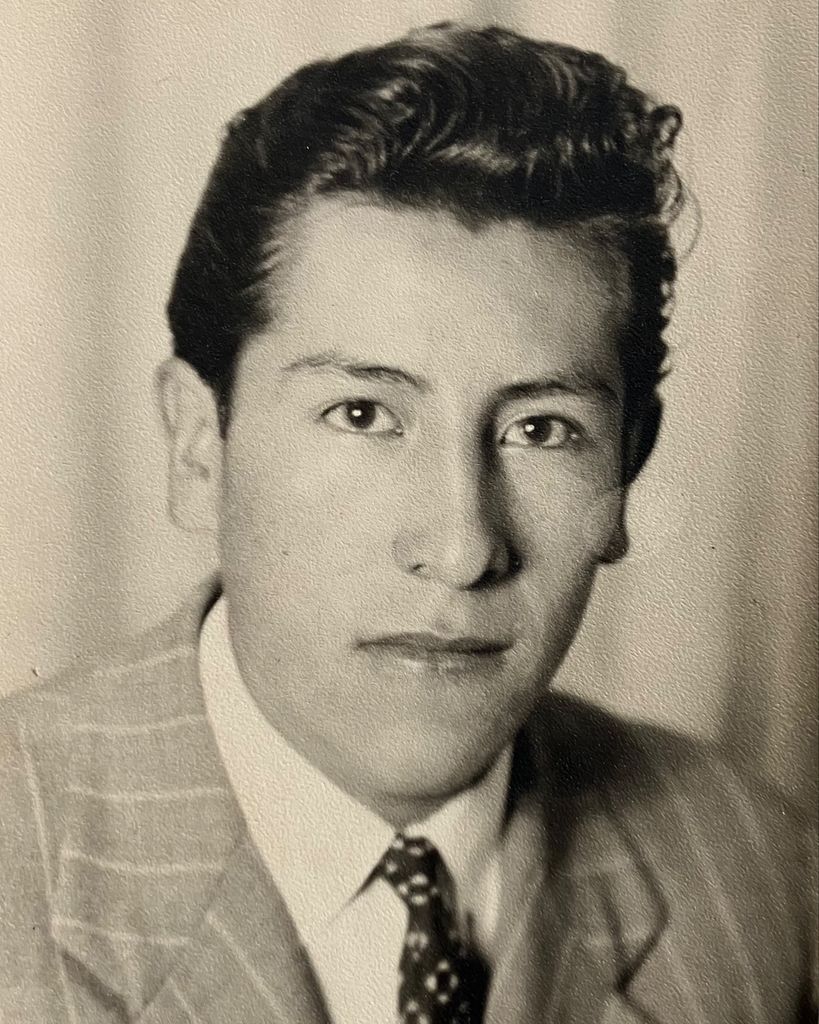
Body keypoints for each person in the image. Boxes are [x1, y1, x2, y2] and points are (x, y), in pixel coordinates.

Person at [0, 22, 814, 1024]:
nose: (463, 547)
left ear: (626, 467)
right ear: (199, 445)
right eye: (362, 414)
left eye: (540, 429)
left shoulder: (759, 876)